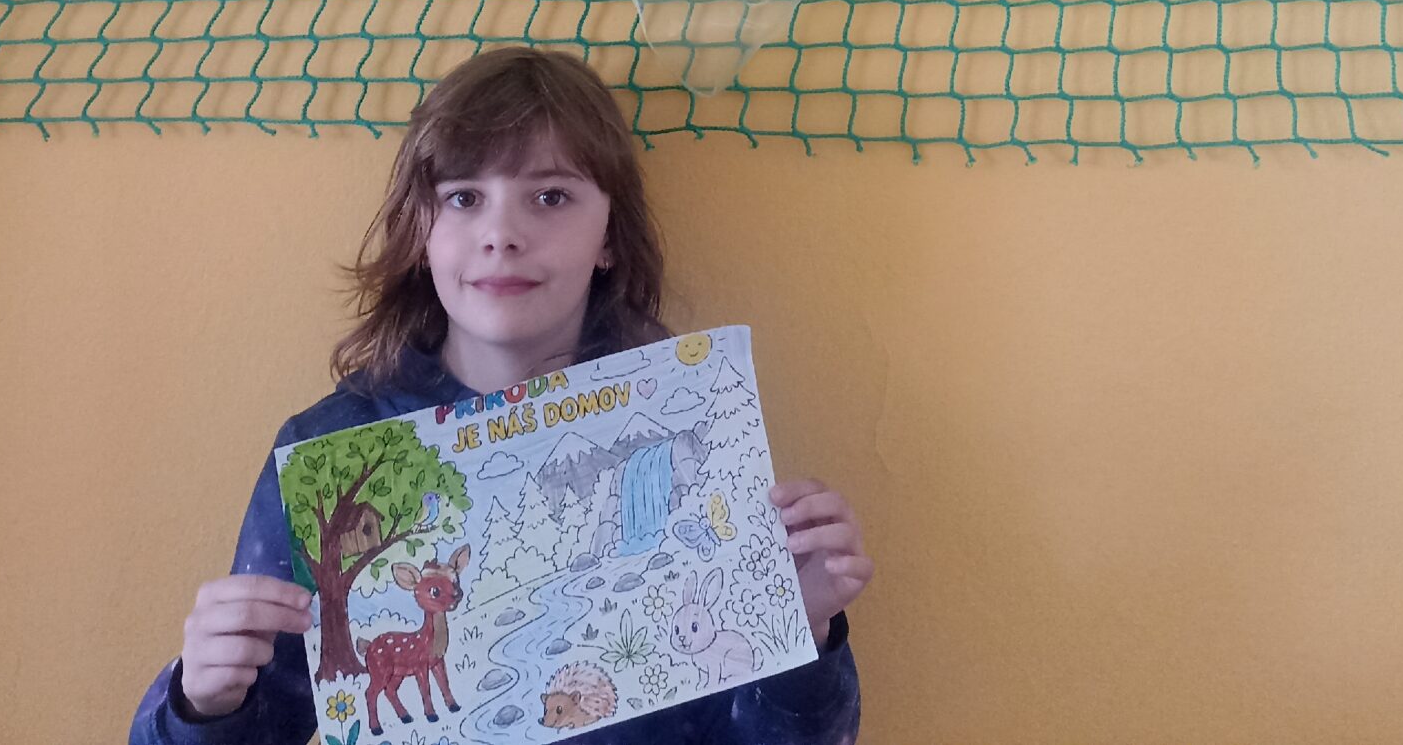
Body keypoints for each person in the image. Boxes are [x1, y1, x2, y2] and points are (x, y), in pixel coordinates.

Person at [129, 48, 871, 743]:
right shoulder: (332, 453)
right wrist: (203, 702)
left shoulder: (693, 431)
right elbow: (268, 715)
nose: (502, 233)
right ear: (421, 232)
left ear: (610, 237)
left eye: (550, 196)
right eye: (463, 197)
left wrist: (801, 629)